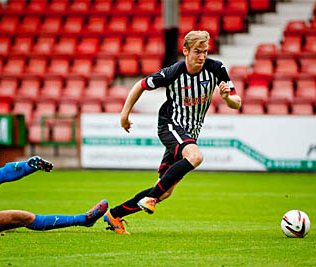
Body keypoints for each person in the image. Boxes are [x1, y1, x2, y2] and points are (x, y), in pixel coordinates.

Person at [103, 31, 242, 234]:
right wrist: (124, 114)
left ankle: (114, 215)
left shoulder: (216, 68)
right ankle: (150, 199)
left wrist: (227, 98)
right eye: (197, 52)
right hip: (170, 125)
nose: (202, 56)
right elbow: (139, 85)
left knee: (165, 191)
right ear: (185, 51)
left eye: (204, 51)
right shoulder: (173, 72)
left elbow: (236, 103)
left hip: (190, 133)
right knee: (195, 156)